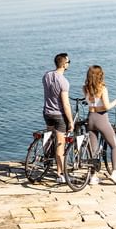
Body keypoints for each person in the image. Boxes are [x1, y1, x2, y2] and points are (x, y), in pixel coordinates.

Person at [83, 65, 116, 185]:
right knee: (115, 145)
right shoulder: (103, 88)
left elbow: (89, 102)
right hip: (101, 119)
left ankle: (93, 176)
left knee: (93, 150)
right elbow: (106, 106)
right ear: (101, 75)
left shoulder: (85, 88)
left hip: (90, 119)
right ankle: (115, 174)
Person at [42, 53, 74, 183]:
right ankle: (60, 174)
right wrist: (71, 121)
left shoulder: (46, 76)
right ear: (64, 64)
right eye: (68, 61)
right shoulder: (64, 82)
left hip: (46, 112)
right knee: (60, 144)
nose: (69, 64)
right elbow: (66, 104)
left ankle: (47, 161)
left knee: (49, 137)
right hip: (58, 115)